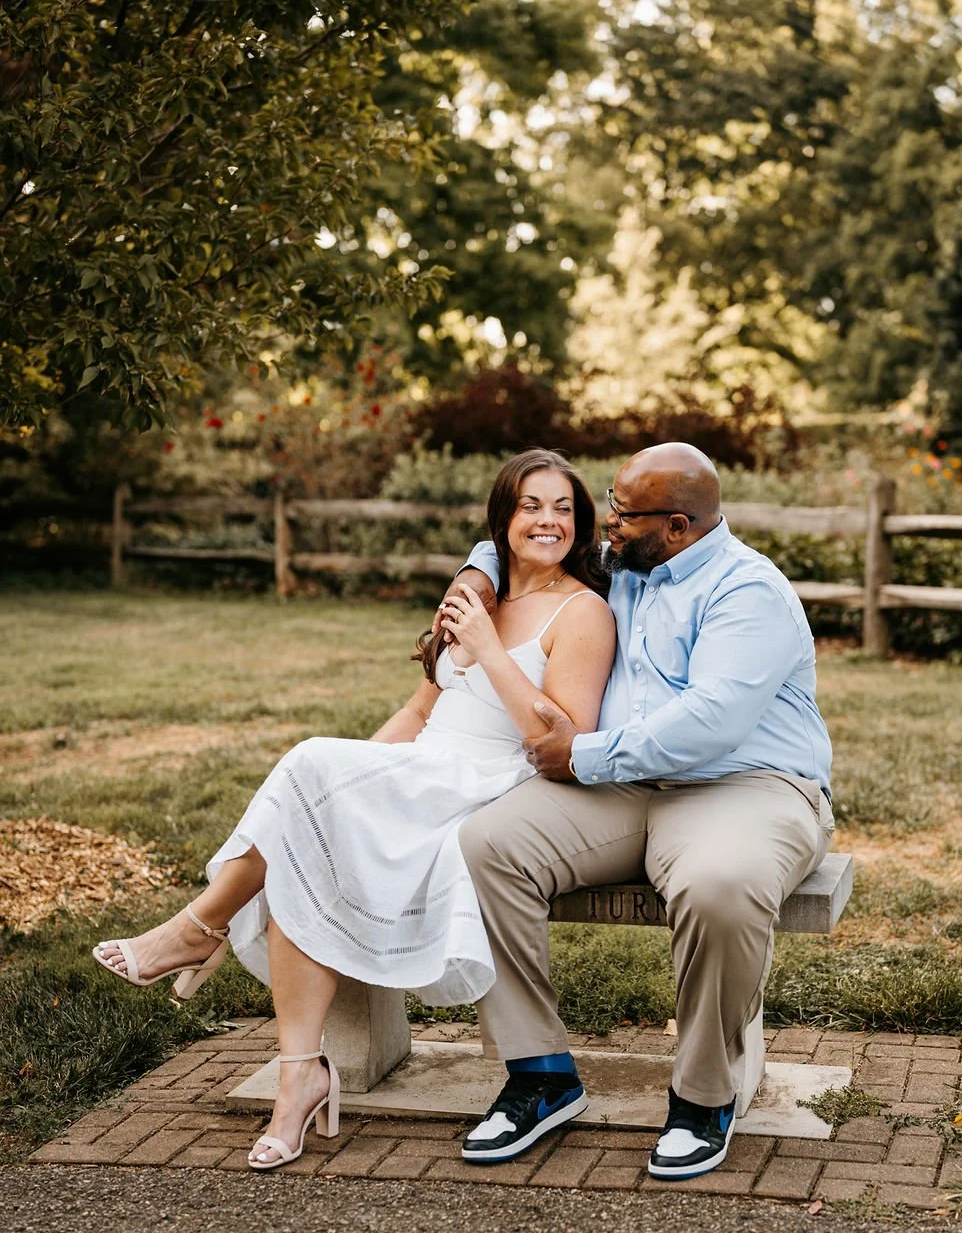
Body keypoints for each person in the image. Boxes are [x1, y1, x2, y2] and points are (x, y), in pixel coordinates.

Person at [92, 449, 616, 1171]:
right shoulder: (477, 595)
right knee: (312, 814)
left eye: (564, 508)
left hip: (490, 781)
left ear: (581, 524)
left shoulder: (581, 612)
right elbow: (419, 707)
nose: (548, 520)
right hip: (425, 767)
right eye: (531, 505)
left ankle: (198, 928)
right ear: (502, 519)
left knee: (310, 767)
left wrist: (490, 650)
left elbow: (560, 738)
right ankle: (299, 1073)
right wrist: (356, 779)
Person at [448, 442, 834, 1178]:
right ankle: (540, 1075)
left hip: (746, 785)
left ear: (680, 526)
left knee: (721, 885)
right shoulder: (627, 563)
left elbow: (710, 721)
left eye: (622, 512)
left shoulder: (748, 591)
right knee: (487, 843)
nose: (609, 523)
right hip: (628, 790)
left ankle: (702, 1098)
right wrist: (478, 564)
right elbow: (528, 538)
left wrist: (583, 758)